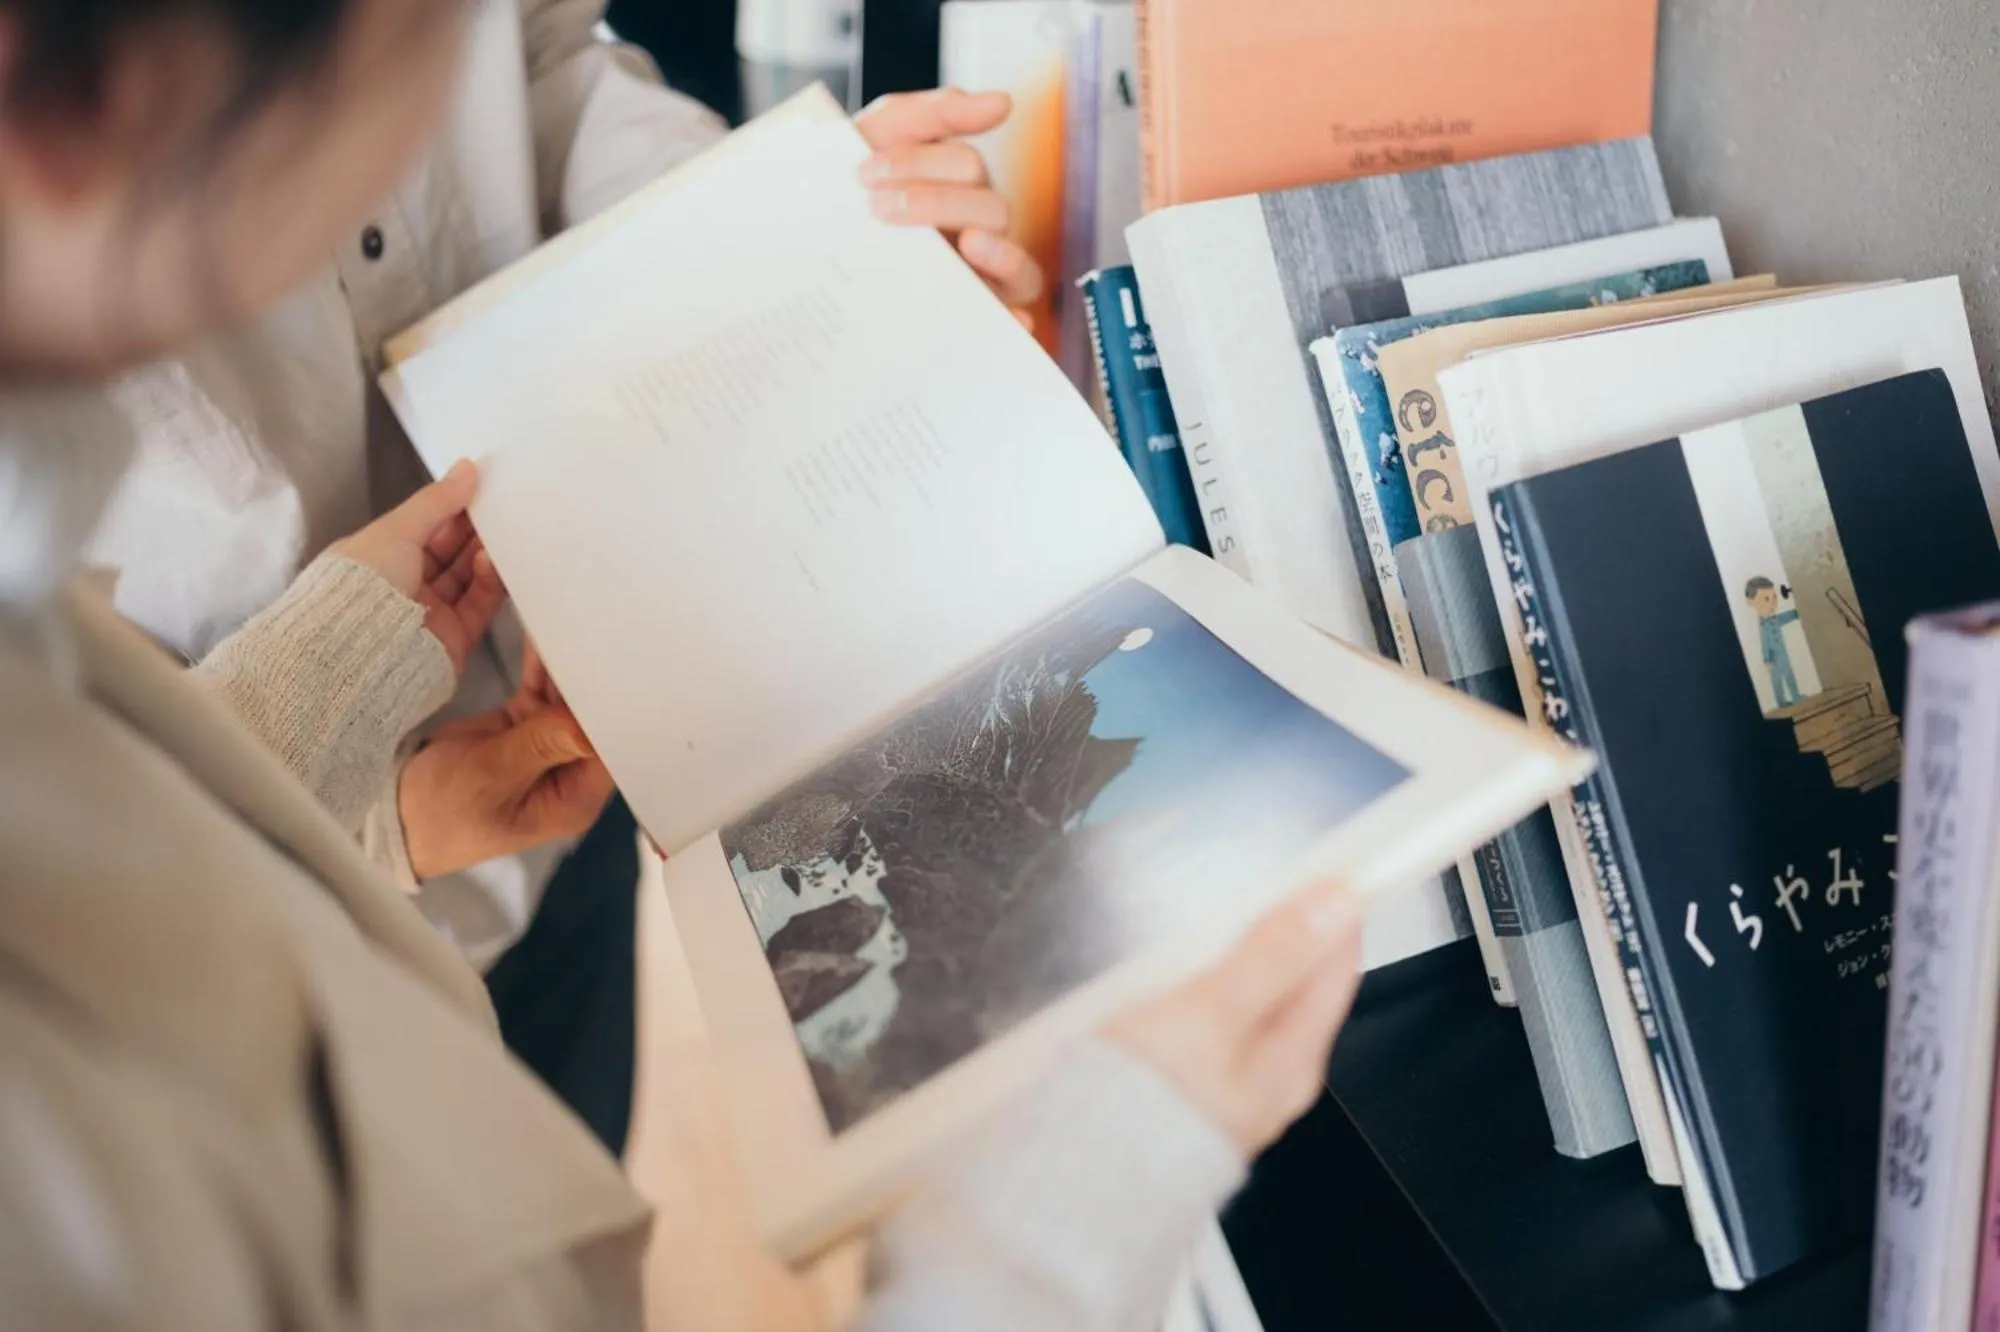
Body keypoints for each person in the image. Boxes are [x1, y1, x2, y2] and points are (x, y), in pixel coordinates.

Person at [0, 0, 1369, 1327]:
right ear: (73, 99)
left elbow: (536, 53)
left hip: (535, 783)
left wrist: (778, 233)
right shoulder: (85, 1156)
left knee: (572, 1108)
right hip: (365, 901)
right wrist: (1057, 1234)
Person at [78, 0, 1046, 1153]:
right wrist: (362, 819)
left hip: (564, 767)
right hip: (233, 981)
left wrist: (778, 227)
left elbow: (540, 55)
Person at [1745, 575, 1803, 708]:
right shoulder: (1763, 625)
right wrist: (1767, 659)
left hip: (1783, 653)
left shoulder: (1773, 619)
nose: (1772, 602)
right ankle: (1781, 702)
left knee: (1789, 674)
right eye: (1766, 599)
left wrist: (1796, 613)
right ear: (1751, 602)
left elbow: (1784, 618)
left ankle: (1796, 695)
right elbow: (1764, 644)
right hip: (1773, 658)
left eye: (1774, 597)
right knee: (1777, 680)